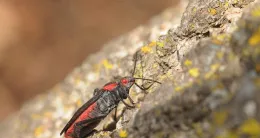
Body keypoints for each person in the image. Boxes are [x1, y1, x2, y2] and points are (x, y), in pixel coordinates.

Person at [0, 0, 175, 120]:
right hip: (92, 112)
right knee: (96, 110)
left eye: (128, 82)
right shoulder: (116, 89)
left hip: (100, 107)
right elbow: (114, 99)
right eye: (127, 81)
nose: (129, 83)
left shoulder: (120, 88)